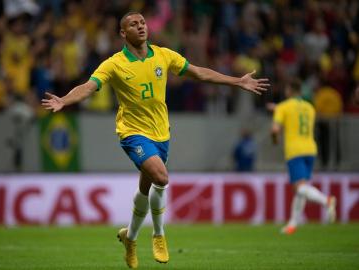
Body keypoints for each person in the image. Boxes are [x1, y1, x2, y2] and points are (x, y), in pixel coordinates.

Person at [42, 12, 269, 268]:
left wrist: (237, 81)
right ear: (122, 33)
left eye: (142, 23)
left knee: (145, 188)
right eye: (133, 24)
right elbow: (88, 87)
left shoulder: (163, 55)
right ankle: (159, 234)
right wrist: (63, 100)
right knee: (161, 177)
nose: (140, 27)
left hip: (161, 134)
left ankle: (130, 237)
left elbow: (199, 72)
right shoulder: (114, 64)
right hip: (132, 133)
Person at [269, 79, 336, 235]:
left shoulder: (284, 106)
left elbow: (274, 130)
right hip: (310, 149)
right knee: (301, 189)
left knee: (299, 188)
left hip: (295, 150)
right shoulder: (310, 107)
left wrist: (274, 140)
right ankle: (292, 224)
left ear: (289, 90)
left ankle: (326, 201)